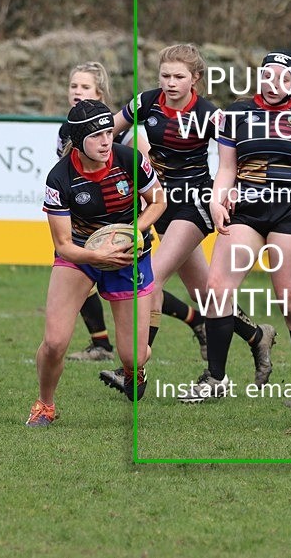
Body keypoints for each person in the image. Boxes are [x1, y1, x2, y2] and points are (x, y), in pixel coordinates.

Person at [101, 45, 277, 395]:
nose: (170, 82)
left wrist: (237, 191)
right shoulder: (146, 102)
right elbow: (109, 129)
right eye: (165, 75)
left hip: (194, 204)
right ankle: (257, 336)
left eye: (179, 76)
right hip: (161, 205)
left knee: (150, 281)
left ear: (195, 78)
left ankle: (134, 372)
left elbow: (236, 154)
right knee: (208, 299)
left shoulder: (209, 114)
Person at [179, 50, 291, 406]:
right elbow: (227, 168)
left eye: (282, 78)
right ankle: (215, 378)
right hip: (246, 210)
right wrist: (218, 199)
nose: (272, 83)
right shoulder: (236, 113)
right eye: (267, 75)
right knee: (216, 289)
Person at [57, 62, 214, 363]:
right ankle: (102, 343)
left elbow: (148, 175)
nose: (78, 91)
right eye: (73, 86)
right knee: (82, 274)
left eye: (85, 87)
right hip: (85, 225)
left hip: (130, 223)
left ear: (100, 93)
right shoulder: (67, 134)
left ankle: (133, 356)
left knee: (151, 285)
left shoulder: (122, 136)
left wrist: (134, 221)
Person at [26, 100, 166, 427]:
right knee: (55, 342)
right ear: (78, 139)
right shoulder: (60, 177)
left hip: (129, 256)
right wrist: (98, 256)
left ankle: (136, 370)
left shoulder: (129, 159)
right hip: (80, 253)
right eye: (96, 136)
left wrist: (134, 231)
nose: (106, 141)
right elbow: (62, 245)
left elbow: (158, 200)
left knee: (133, 354)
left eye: (108, 132)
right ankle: (45, 404)